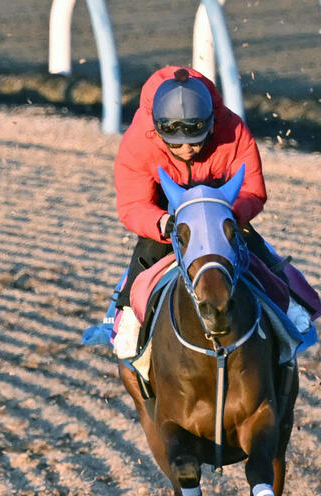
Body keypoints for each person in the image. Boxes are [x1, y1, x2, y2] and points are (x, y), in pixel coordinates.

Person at [113, 65, 281, 358]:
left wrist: (233, 214)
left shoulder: (234, 130)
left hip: (222, 209)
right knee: (146, 254)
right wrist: (162, 222)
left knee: (258, 253)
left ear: (212, 125)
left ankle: (286, 312)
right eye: (175, 144)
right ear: (157, 130)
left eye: (196, 141)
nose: (187, 150)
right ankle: (130, 319)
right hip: (169, 215)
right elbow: (132, 204)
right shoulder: (138, 140)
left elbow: (252, 190)